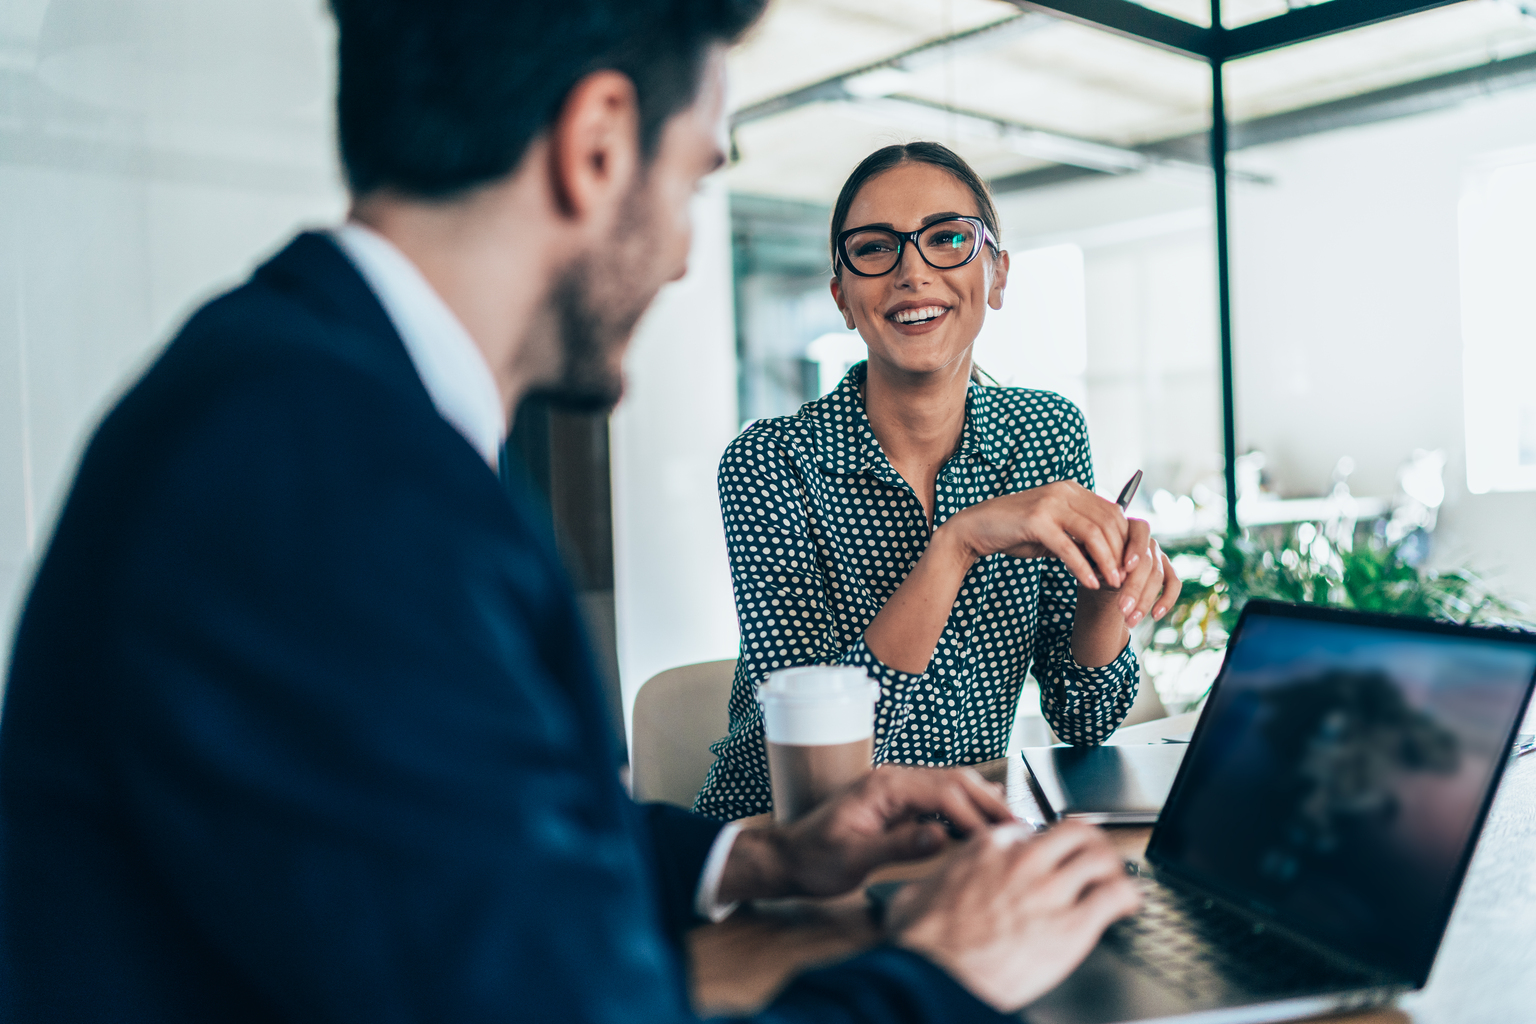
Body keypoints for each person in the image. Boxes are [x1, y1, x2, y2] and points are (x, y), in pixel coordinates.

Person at [0, 4, 1141, 1022]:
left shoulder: (308, 398)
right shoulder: (330, 481)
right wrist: (945, 973)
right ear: (599, 144)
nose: (689, 255)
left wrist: (759, 854)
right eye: (693, 178)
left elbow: (487, 845)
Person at [696, 143, 1181, 822]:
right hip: (779, 848)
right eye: (874, 249)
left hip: (961, 837)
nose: (913, 272)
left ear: (998, 274)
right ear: (842, 296)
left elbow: (1087, 722)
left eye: (948, 238)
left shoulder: (1044, 432)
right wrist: (957, 544)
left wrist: (1102, 593)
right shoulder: (770, 462)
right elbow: (820, 766)